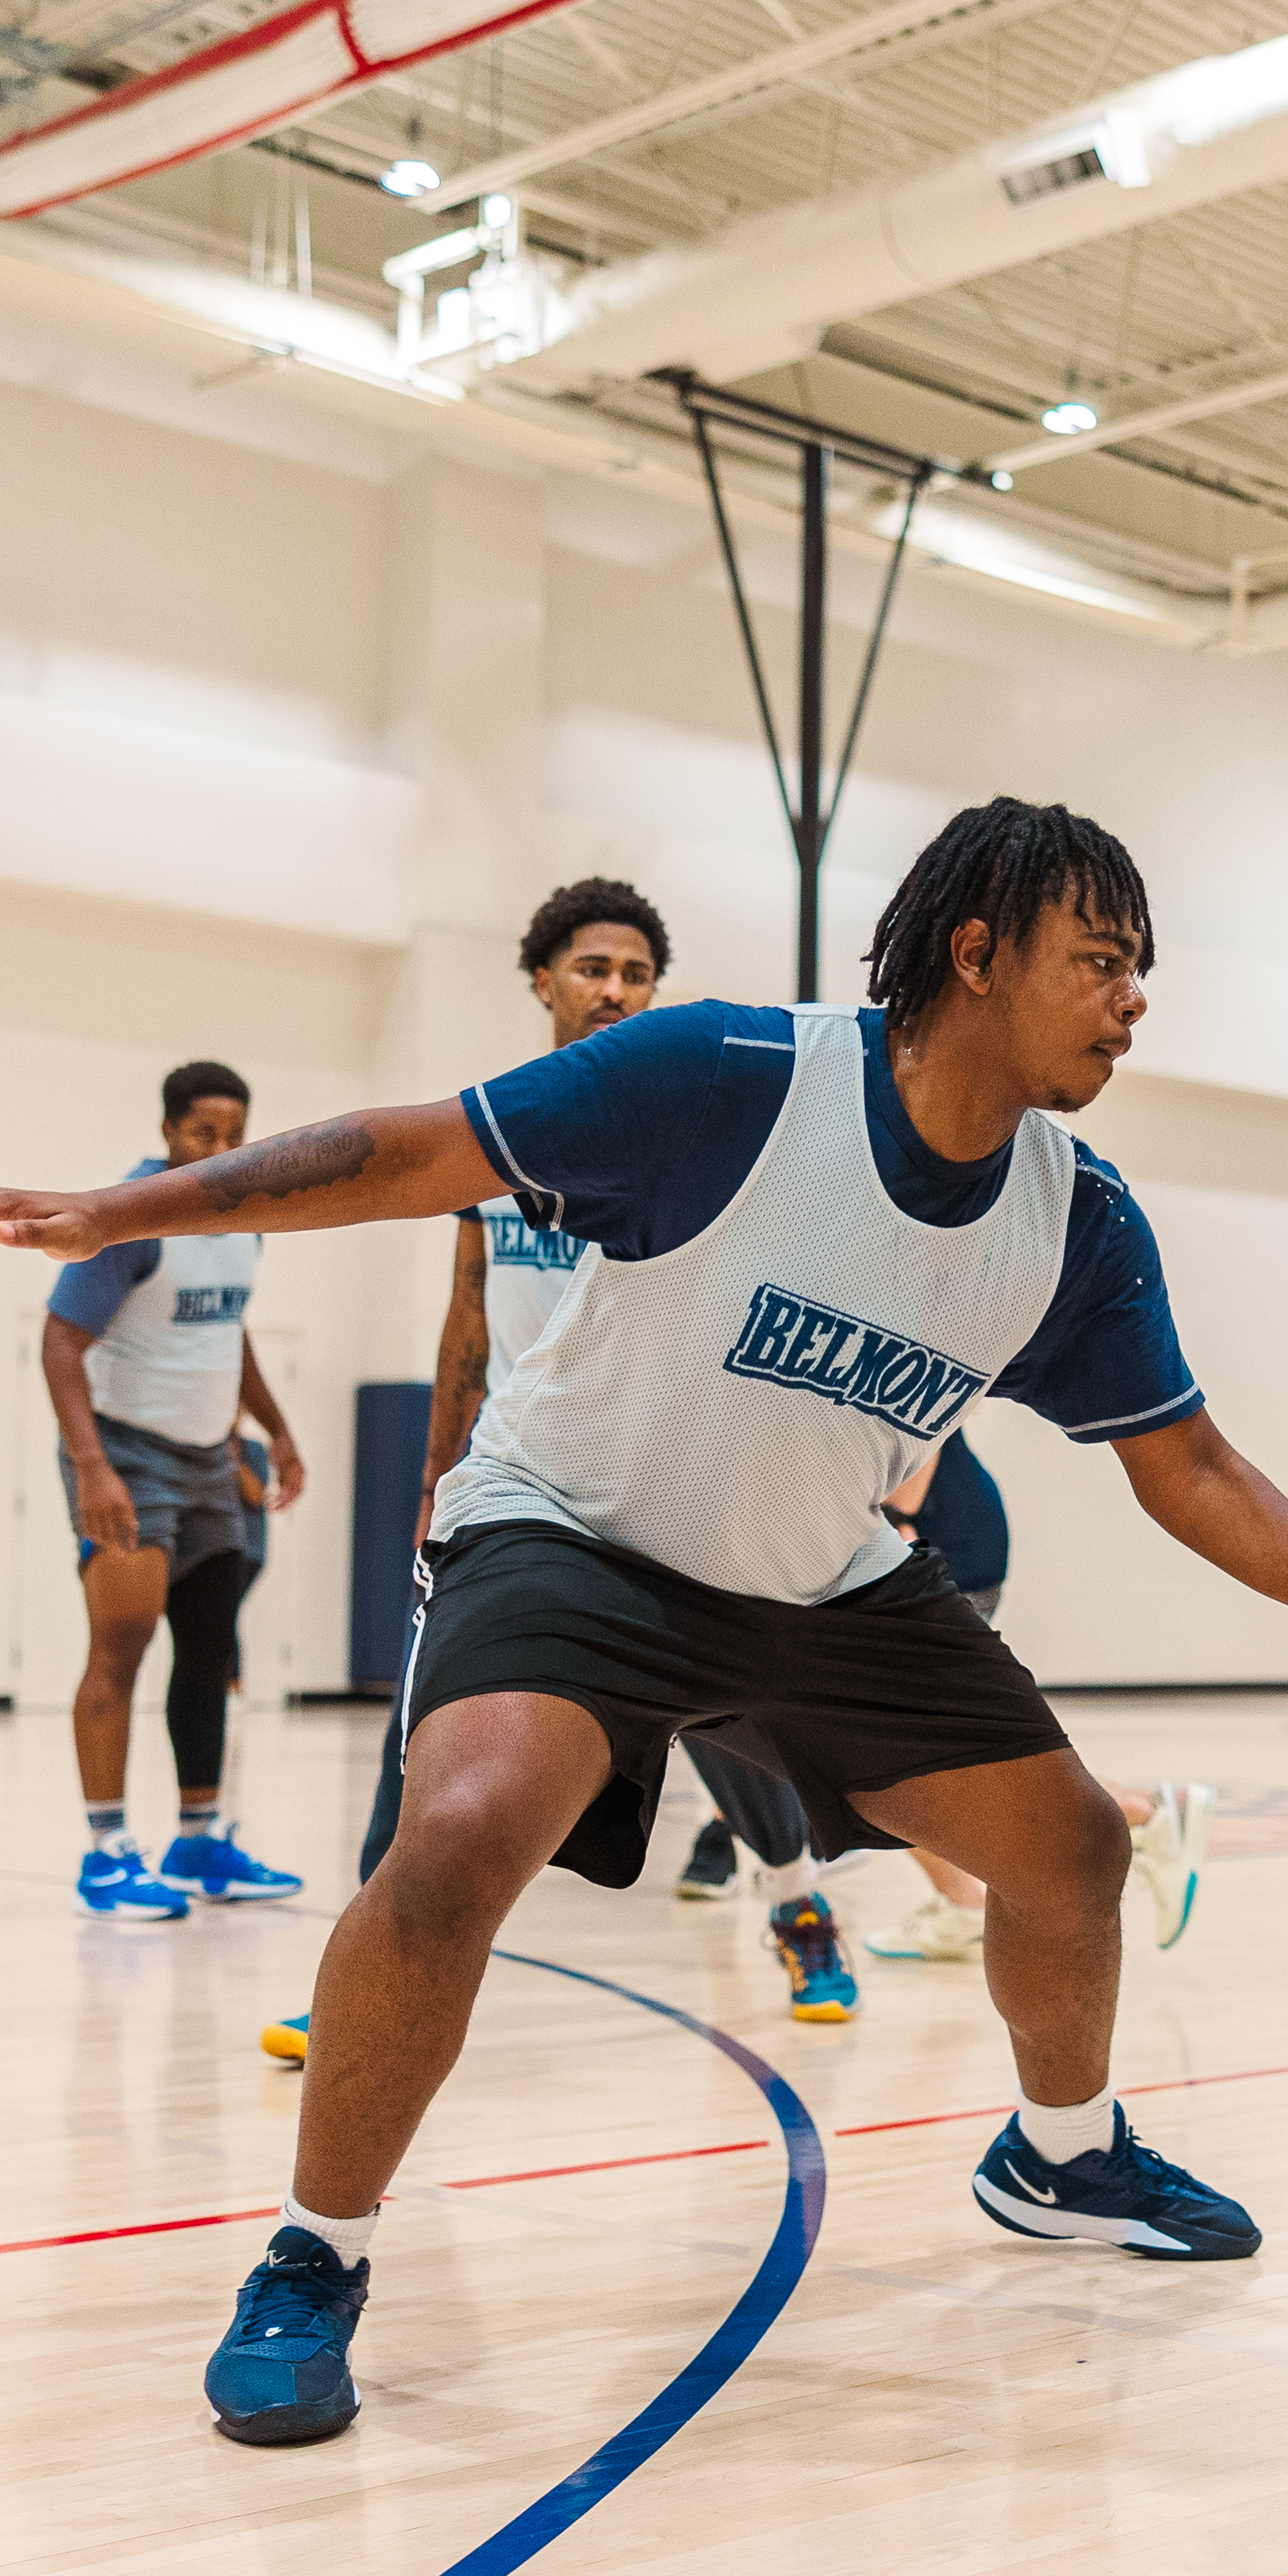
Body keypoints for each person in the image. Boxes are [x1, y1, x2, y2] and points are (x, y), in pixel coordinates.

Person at [0, 795, 1288, 2448]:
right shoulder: (731, 1079)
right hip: (577, 1538)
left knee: (1072, 1856)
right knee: (453, 1842)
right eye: (1103, 961)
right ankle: (316, 2252)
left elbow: (1188, 1466)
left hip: (822, 1583)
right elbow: (410, 1152)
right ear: (978, 954)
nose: (1135, 999)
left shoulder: (1075, 1219)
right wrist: (120, 1212)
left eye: (1139, 970)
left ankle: (1063, 2149)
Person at [263, 876, 856, 2060]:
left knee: (724, 1716)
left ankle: (799, 1908)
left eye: (636, 974)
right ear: (541, 979)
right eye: (594, 969)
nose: (616, 992)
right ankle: (360, 1980)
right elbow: (467, 1318)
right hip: (520, 1484)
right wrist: (439, 1466)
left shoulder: (683, 1129)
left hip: (659, 1465)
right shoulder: (505, 1132)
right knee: (423, 1721)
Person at [41, 1060, 311, 1921]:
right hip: (127, 1455)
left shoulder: (249, 1219)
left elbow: (228, 1337)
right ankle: (107, 1852)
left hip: (209, 1458)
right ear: (167, 1134)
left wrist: (278, 1430)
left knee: (210, 1650)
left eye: (235, 1136)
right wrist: (92, 1469)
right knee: (121, 1646)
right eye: (204, 1135)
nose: (221, 1150)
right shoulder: (131, 1221)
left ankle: (197, 1840)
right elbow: (58, 1343)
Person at [873, 1432, 1215, 1961]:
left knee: (895, 1755)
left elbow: (909, 1482)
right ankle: (965, 1907)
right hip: (935, 1547)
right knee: (890, 1754)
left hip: (933, 1548)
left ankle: (1143, 1815)